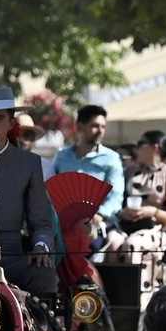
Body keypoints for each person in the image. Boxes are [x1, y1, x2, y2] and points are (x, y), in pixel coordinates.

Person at [0, 88, 57, 301]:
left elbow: (41, 221)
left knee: (44, 276)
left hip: (13, 254)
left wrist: (40, 247)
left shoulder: (28, 163)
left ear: (11, 123)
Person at [52, 103, 125, 246]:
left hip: (99, 224)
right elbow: (52, 190)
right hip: (63, 224)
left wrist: (100, 214)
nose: (100, 131)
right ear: (79, 127)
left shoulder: (111, 158)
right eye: (95, 126)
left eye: (103, 127)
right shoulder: (61, 156)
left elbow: (116, 197)